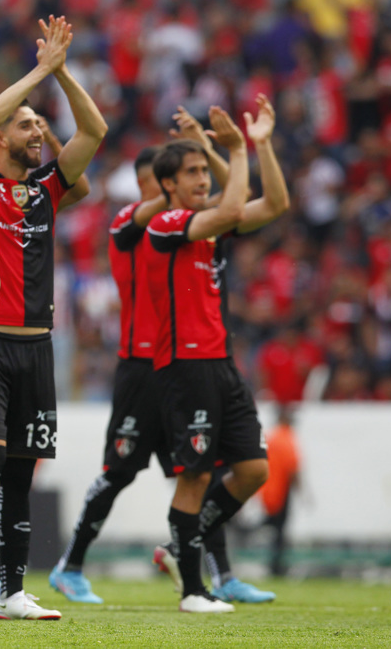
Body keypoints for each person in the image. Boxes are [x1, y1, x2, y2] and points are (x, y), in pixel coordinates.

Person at [51, 108, 274, 606]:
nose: (160, 189)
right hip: (143, 369)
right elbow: (201, 208)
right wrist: (205, 166)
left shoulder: (187, 223)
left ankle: (218, 573)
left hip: (188, 363)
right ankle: (71, 564)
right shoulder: (133, 221)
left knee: (200, 471)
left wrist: (205, 159)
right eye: (155, 180)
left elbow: (236, 209)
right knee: (120, 472)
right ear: (145, 184)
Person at [0, 15, 104, 622]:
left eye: (40, 124)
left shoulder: (46, 191)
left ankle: (11, 590)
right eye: (29, 125)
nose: (40, 133)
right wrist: (37, 70)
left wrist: (61, 75)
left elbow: (95, 128)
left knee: (20, 477)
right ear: (2, 137)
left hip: (38, 349)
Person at [142, 95, 288, 612]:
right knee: (197, 476)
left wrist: (260, 145)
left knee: (253, 471)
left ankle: (180, 546)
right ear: (169, 186)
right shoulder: (165, 226)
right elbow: (232, 202)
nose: (204, 179)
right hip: (184, 365)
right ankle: (193, 590)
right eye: (193, 172)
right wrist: (231, 146)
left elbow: (272, 204)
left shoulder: (212, 226)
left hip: (222, 364)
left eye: (207, 170)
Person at [261, 403, 302, 577]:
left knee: (270, 528)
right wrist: (301, 491)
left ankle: (274, 564)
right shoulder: (287, 438)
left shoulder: (271, 437)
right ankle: (276, 566)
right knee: (279, 531)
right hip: (281, 492)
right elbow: (293, 468)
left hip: (266, 490)